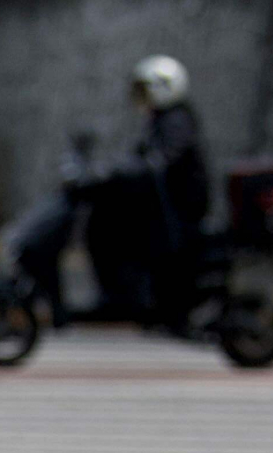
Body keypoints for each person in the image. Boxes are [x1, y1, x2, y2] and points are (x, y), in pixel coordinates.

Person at [82, 53, 212, 320]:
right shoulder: (164, 119)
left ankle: (124, 298)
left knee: (106, 228)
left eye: (145, 90)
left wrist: (119, 172)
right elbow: (142, 158)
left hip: (176, 209)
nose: (139, 97)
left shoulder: (176, 120)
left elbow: (159, 160)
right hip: (165, 205)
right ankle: (123, 296)